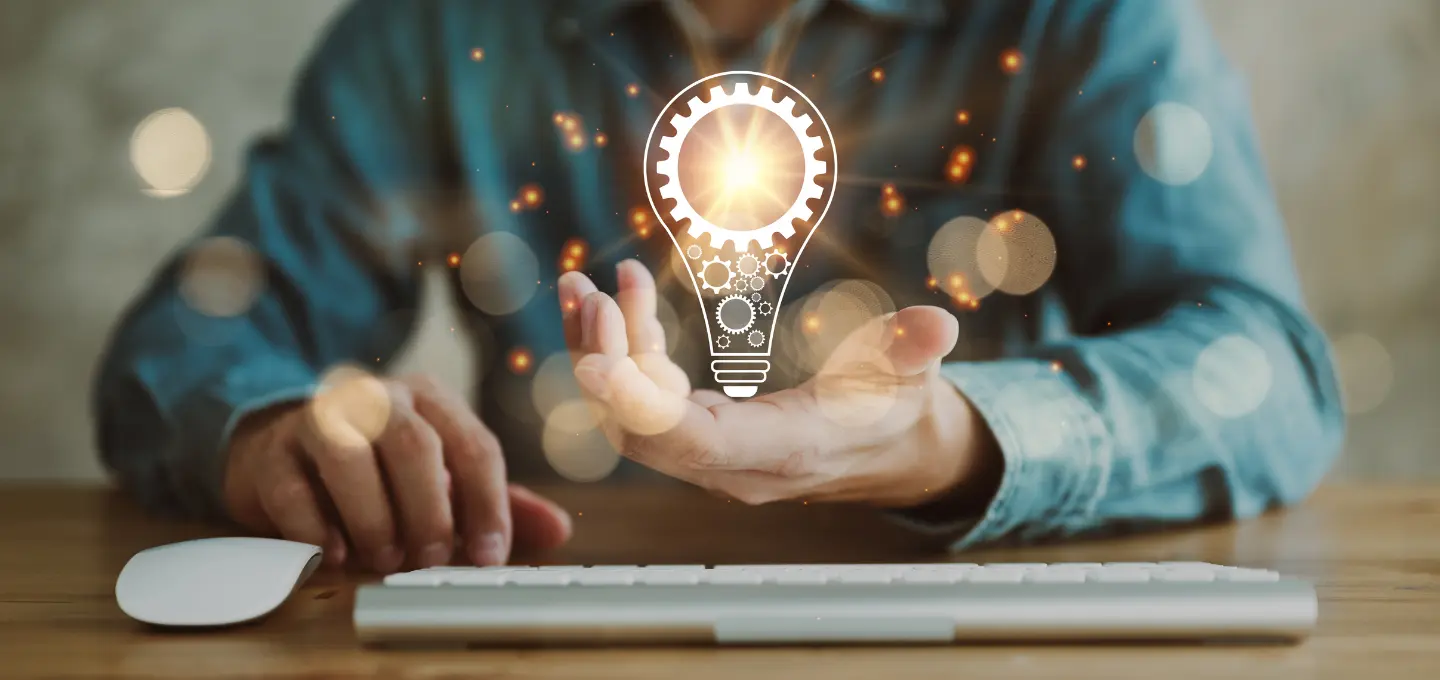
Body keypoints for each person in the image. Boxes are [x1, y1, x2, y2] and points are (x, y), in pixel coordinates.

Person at [94, 0, 1344, 573]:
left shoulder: (1084, 17)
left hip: (959, 623)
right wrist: (267, 431)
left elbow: (1269, 372)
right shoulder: (436, 29)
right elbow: (190, 341)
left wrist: (955, 436)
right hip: (559, 612)